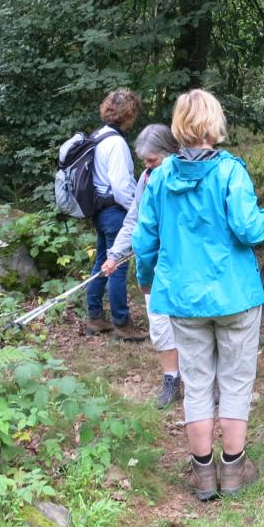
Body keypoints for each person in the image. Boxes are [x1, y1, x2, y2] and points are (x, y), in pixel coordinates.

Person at [132, 89, 264, 501]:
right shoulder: (230, 172)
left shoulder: (160, 177)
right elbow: (250, 229)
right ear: (214, 123)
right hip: (235, 294)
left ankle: (203, 474)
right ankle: (233, 469)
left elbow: (144, 240)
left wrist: (146, 280)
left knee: (197, 382)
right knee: (236, 381)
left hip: (185, 298)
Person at [103, 124, 183, 407]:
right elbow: (134, 219)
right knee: (159, 324)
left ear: (171, 152)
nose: (147, 166)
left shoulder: (185, 177)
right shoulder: (147, 178)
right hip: (152, 266)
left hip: (183, 265)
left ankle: (204, 379)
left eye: (152, 160)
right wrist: (114, 254)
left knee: (191, 325)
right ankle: (171, 379)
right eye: (144, 162)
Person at [86, 88, 148, 342]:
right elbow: (122, 187)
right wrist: (138, 209)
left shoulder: (98, 136)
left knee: (102, 260)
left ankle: (95, 317)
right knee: (117, 266)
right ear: (128, 114)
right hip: (115, 212)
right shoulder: (117, 143)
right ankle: (122, 324)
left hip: (99, 210)